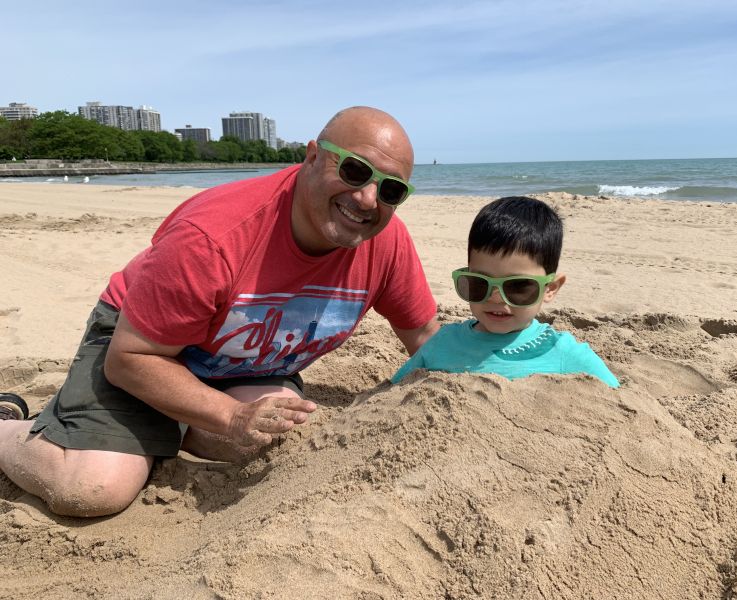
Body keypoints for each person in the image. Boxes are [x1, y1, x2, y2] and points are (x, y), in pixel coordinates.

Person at [0, 106, 439, 517]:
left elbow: (423, 338)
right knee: (93, 488)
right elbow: (130, 358)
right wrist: (230, 416)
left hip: (243, 366)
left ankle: (164, 427)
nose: (367, 199)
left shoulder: (385, 243)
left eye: (391, 190)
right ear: (311, 157)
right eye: (354, 170)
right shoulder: (214, 235)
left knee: (279, 435)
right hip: (145, 348)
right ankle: (13, 428)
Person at [391, 196, 619, 388]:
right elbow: (392, 391)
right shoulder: (443, 343)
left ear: (550, 288)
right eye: (480, 283)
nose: (496, 298)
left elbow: (617, 398)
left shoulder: (565, 354)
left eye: (518, 286)